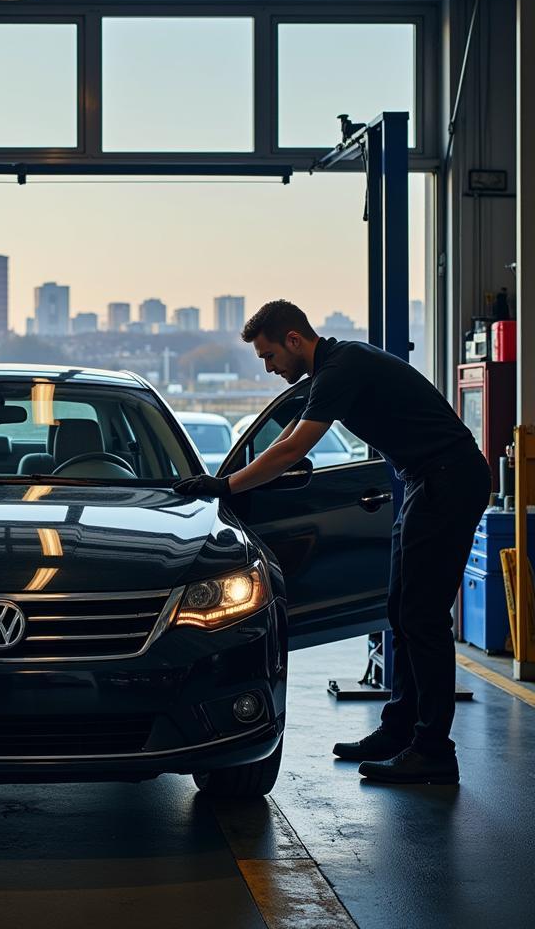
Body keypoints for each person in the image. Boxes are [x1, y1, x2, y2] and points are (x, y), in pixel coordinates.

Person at [181, 300, 490, 785]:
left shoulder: (342, 367)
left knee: (422, 617)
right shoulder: (332, 370)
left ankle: (434, 751)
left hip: (447, 481)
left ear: (294, 340)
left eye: (268, 356)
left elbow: (291, 449)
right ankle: (400, 731)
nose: (267, 368)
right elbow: (288, 431)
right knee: (400, 608)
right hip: (426, 481)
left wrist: (226, 487)